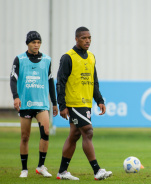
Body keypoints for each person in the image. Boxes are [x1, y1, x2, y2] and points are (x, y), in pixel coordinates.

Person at [56, 26, 112, 181]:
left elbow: (94, 82)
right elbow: (60, 82)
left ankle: (62, 171)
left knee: (74, 135)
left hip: (86, 103)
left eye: (89, 38)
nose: (87, 41)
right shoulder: (68, 57)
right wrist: (62, 105)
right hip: (74, 102)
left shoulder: (92, 57)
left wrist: (99, 100)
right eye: (84, 38)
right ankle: (97, 170)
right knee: (88, 131)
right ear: (76, 39)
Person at [10, 31, 58, 178]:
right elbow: (13, 79)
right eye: (33, 42)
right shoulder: (20, 59)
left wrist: (54, 103)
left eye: (38, 42)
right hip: (25, 104)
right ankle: (24, 169)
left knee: (46, 133)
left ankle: (41, 166)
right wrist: (16, 97)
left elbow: (50, 82)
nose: (36, 45)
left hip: (41, 104)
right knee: (25, 136)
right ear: (27, 44)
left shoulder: (47, 60)